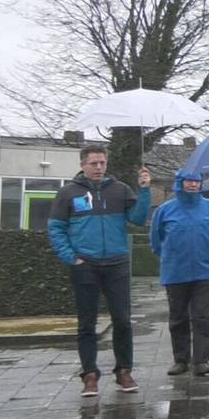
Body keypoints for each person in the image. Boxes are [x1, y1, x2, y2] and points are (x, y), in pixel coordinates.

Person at [48, 146, 151, 397]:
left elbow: (138, 219)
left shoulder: (120, 189)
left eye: (102, 163)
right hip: (86, 265)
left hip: (117, 263)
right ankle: (89, 376)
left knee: (123, 321)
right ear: (83, 164)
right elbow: (56, 227)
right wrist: (70, 257)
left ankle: (124, 372)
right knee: (86, 324)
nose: (99, 167)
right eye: (93, 163)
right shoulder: (68, 193)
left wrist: (145, 189)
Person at [149, 169, 209, 377]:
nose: (193, 185)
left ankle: (201, 361)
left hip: (204, 272)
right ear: (180, 183)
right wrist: (169, 259)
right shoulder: (165, 210)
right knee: (178, 317)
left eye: (196, 182)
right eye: (189, 181)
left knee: (203, 316)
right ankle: (180, 360)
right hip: (175, 273)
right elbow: (156, 240)